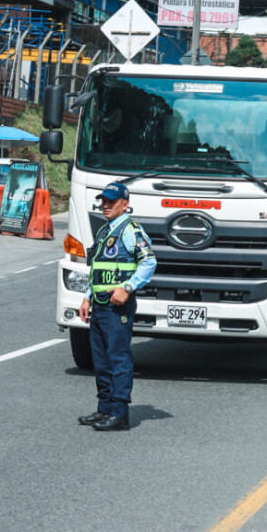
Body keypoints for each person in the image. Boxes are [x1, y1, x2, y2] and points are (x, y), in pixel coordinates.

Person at [77, 182, 156, 431]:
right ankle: (104, 409)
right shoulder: (105, 231)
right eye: (103, 201)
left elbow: (149, 262)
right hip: (100, 305)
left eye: (111, 201)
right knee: (101, 360)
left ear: (125, 204)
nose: (106, 205)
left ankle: (120, 413)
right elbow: (97, 271)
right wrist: (87, 297)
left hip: (117, 306)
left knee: (118, 358)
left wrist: (128, 288)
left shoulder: (131, 230)